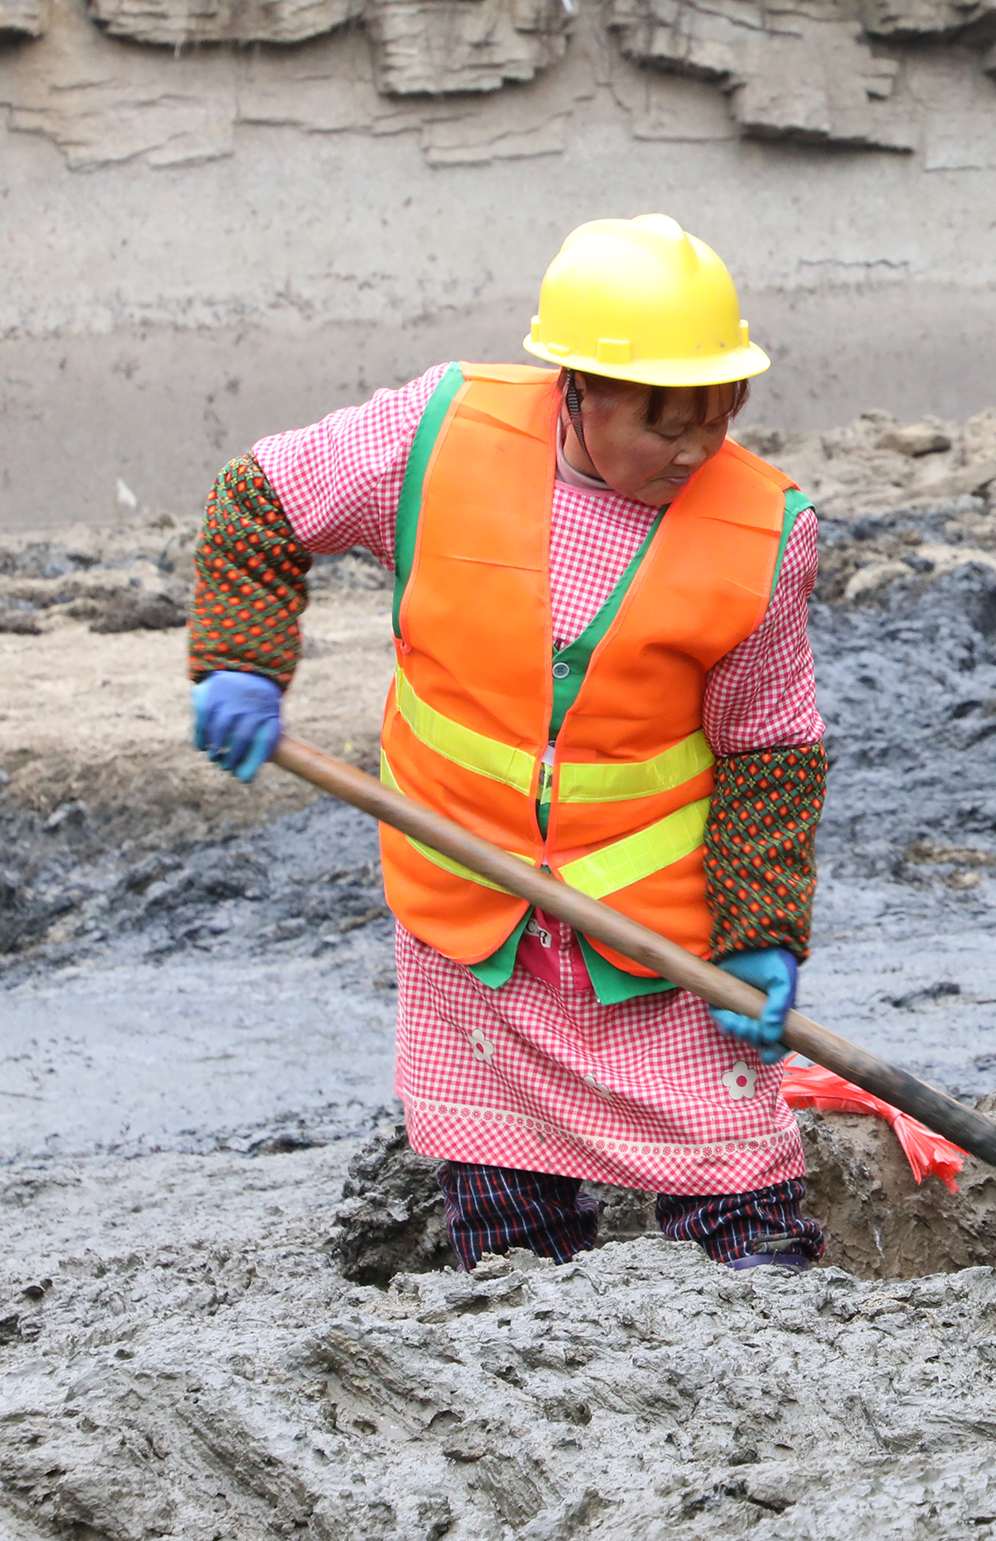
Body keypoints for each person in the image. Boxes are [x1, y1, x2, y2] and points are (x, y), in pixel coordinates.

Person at [183, 214, 829, 1270]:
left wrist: (763, 929)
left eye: (721, 411)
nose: (697, 444)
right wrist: (244, 661)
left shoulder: (766, 531)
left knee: (739, 1196)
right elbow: (260, 502)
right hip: (468, 895)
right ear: (576, 388)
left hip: (654, 926)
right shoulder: (437, 433)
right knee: (508, 1222)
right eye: (665, 419)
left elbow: (770, 749)